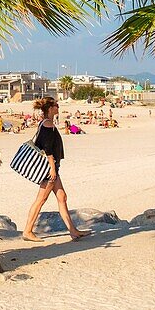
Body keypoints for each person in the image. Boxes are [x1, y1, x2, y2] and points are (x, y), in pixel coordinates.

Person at [22, 96, 91, 242]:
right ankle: (27, 231)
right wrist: (52, 168)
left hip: (53, 168)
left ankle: (73, 231)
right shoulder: (47, 124)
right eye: (57, 106)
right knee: (41, 199)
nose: (58, 108)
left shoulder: (46, 123)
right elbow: (47, 149)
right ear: (51, 108)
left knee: (62, 197)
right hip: (49, 168)